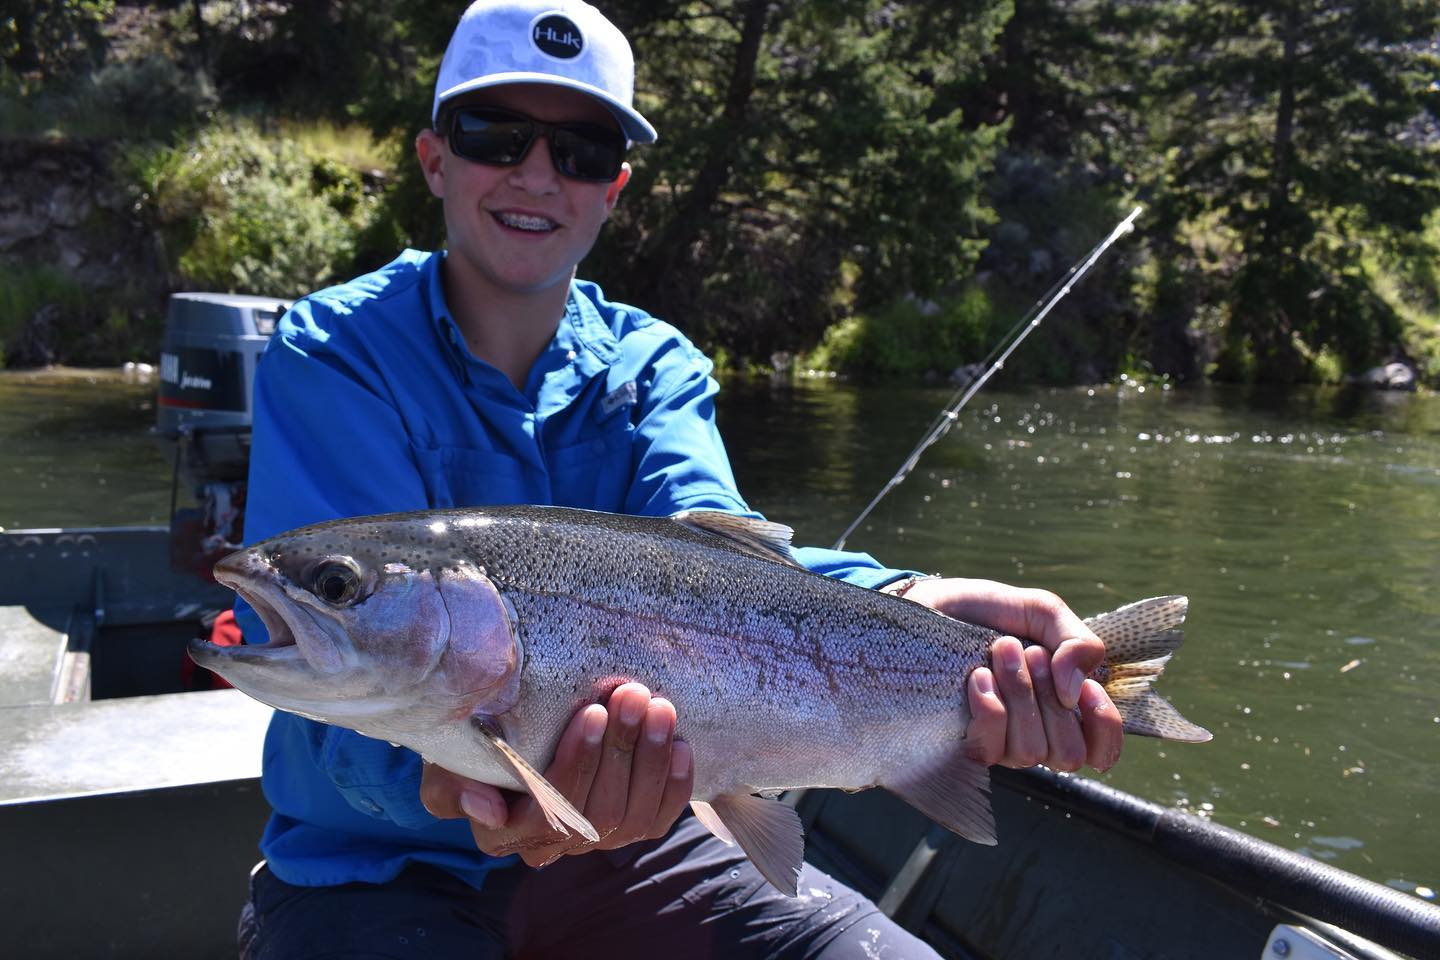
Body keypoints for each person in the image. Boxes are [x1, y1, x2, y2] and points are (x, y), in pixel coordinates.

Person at [232, 1, 1123, 956]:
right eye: (498, 135)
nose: (538, 173)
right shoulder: (334, 351)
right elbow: (343, 705)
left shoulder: (655, 368)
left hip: (638, 847)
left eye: (579, 151)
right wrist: (455, 785)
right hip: (376, 867)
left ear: (613, 188)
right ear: (435, 159)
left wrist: (915, 600)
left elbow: (723, 562)